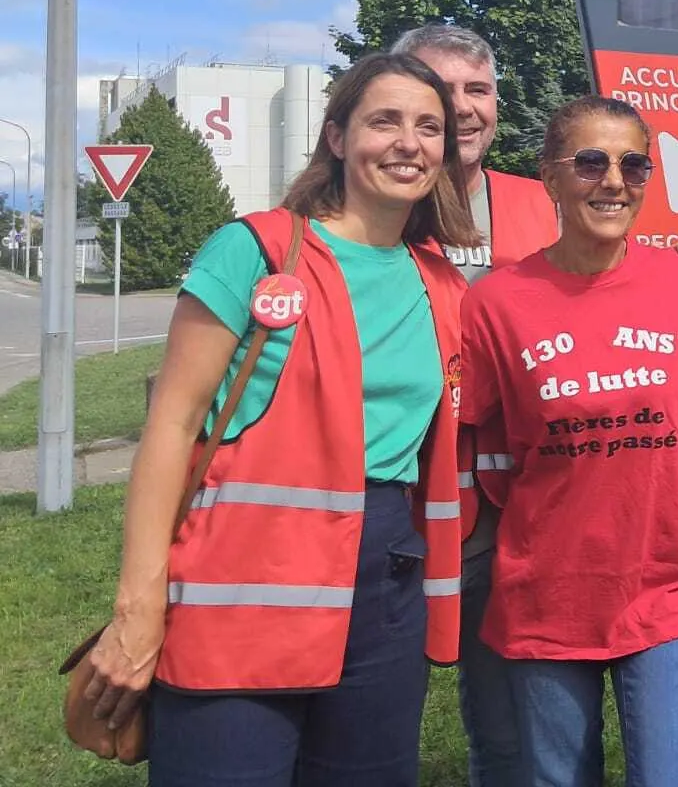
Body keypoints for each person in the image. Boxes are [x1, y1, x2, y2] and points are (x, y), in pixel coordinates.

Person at [80, 51, 480, 786]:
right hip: (240, 583)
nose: (408, 143)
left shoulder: (442, 284)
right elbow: (172, 427)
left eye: (430, 128)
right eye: (384, 121)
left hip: (383, 590)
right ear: (337, 136)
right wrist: (137, 607)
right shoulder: (257, 250)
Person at [459, 94, 678, 787]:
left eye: (633, 165)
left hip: (668, 586)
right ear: (550, 177)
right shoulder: (497, 301)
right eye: (591, 163)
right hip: (547, 592)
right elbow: (462, 433)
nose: (614, 182)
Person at [391, 22, 558, 787]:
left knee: (508, 719)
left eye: (478, 90)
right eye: (441, 88)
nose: (462, 107)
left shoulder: (544, 205)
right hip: (396, 499)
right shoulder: (368, 208)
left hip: (514, 503)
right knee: (370, 708)